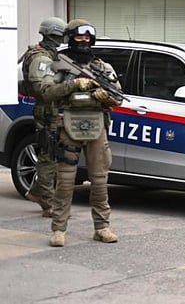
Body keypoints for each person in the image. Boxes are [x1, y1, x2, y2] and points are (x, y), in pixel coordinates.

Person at [38, 19, 122, 247]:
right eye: (78, 36)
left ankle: (102, 227)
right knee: (65, 182)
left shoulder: (102, 67)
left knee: (100, 180)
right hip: (68, 126)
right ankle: (58, 229)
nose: (83, 40)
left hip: (96, 127)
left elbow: (118, 97)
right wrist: (74, 85)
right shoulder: (58, 64)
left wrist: (105, 97)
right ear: (70, 38)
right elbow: (46, 92)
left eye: (87, 37)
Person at [21, 17, 68, 217]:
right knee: (48, 157)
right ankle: (48, 203)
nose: (61, 41)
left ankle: (37, 191)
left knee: (54, 156)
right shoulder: (41, 58)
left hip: (54, 111)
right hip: (48, 112)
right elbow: (42, 89)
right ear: (51, 35)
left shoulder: (50, 55)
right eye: (59, 37)